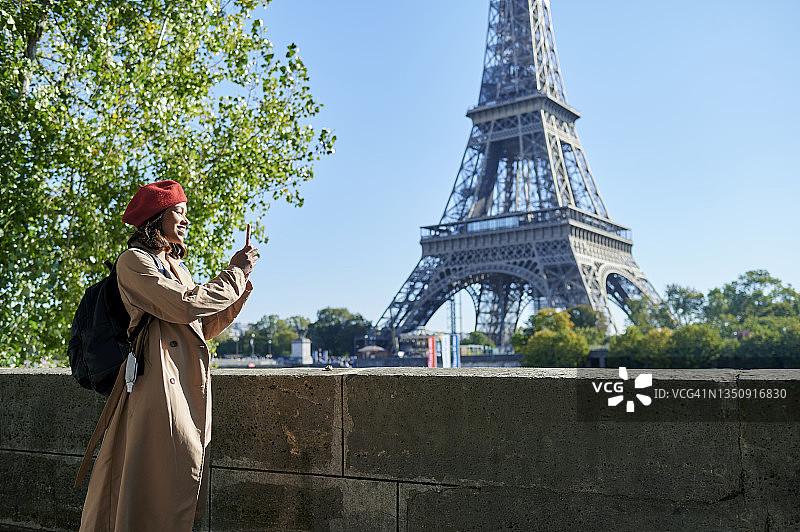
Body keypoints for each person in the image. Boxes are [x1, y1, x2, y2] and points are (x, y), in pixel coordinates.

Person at [77, 180, 258, 531]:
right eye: (179, 212)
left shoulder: (177, 267)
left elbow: (200, 325)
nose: (186, 221)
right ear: (155, 218)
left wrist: (242, 282)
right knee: (153, 487)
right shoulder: (133, 261)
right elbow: (183, 305)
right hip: (156, 383)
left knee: (173, 483)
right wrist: (234, 273)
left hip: (182, 383)